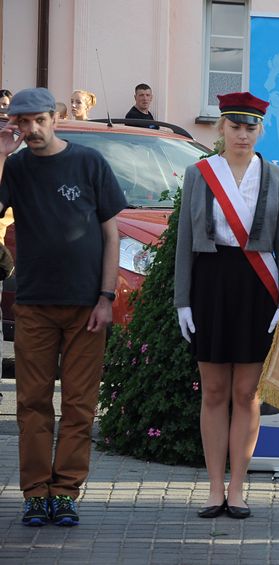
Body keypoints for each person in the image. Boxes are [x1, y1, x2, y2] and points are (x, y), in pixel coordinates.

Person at [0, 87, 127, 526]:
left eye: (38, 120)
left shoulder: (88, 162)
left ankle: (66, 492)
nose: (31, 130)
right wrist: (0, 154)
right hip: (33, 303)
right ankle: (36, 493)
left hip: (86, 307)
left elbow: (112, 235)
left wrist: (106, 297)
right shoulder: (14, 167)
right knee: (32, 404)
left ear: (54, 118)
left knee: (79, 404)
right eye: (22, 122)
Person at [174, 92, 279, 519]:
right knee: (213, 390)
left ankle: (238, 488)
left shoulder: (277, 177)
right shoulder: (199, 173)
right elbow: (185, 244)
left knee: (247, 392)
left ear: (260, 130)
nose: (242, 134)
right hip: (210, 283)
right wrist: (183, 300)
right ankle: (213, 488)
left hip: (257, 288)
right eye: (235, 126)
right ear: (221, 127)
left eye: (250, 127)